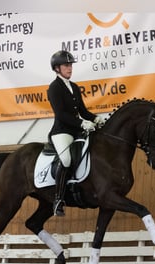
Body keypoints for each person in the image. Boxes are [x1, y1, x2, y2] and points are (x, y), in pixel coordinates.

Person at [47, 50, 105, 217]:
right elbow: (61, 114)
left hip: (77, 129)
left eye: (71, 65)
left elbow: (83, 111)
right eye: (66, 65)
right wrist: (81, 123)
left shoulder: (74, 87)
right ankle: (58, 199)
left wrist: (96, 119)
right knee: (66, 159)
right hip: (61, 131)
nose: (70, 68)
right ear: (57, 68)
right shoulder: (54, 88)